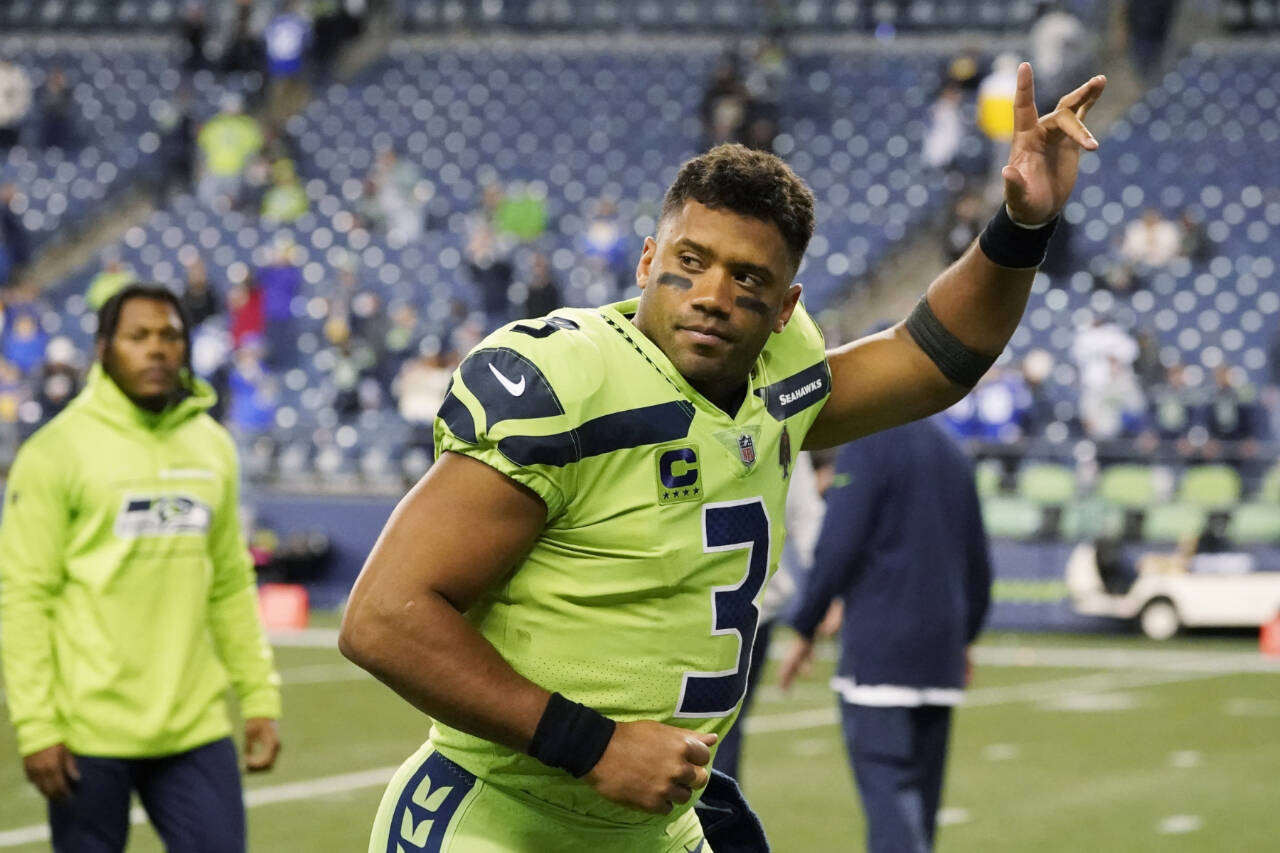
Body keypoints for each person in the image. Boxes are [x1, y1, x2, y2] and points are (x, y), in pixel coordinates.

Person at [339, 65, 1105, 852]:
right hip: (500, 816)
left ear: (785, 309)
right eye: (692, 260)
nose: (712, 294)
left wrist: (1021, 228)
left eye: (747, 278)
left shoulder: (778, 380)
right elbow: (383, 617)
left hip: (658, 824)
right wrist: (591, 744)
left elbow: (932, 357)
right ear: (647, 261)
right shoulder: (570, 381)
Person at [0, 283, 282, 852]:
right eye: (138, 336)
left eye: (169, 336)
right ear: (104, 348)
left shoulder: (213, 448)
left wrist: (259, 698)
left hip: (194, 729)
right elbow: (24, 597)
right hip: (87, 734)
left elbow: (229, 584)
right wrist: (37, 726)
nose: (156, 348)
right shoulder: (54, 452)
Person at [778, 417, 992, 853]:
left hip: (880, 654)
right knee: (920, 815)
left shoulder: (866, 444)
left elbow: (836, 546)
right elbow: (979, 564)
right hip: (941, 657)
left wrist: (805, 626)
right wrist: (965, 638)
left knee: (892, 810)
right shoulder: (954, 452)